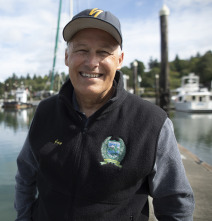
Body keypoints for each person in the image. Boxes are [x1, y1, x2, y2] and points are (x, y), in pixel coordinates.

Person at [15, 8, 194, 221]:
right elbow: (26, 175)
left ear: (120, 60)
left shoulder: (152, 123)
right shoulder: (44, 112)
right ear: (66, 57)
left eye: (103, 52)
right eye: (81, 50)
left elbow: (175, 203)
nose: (92, 62)